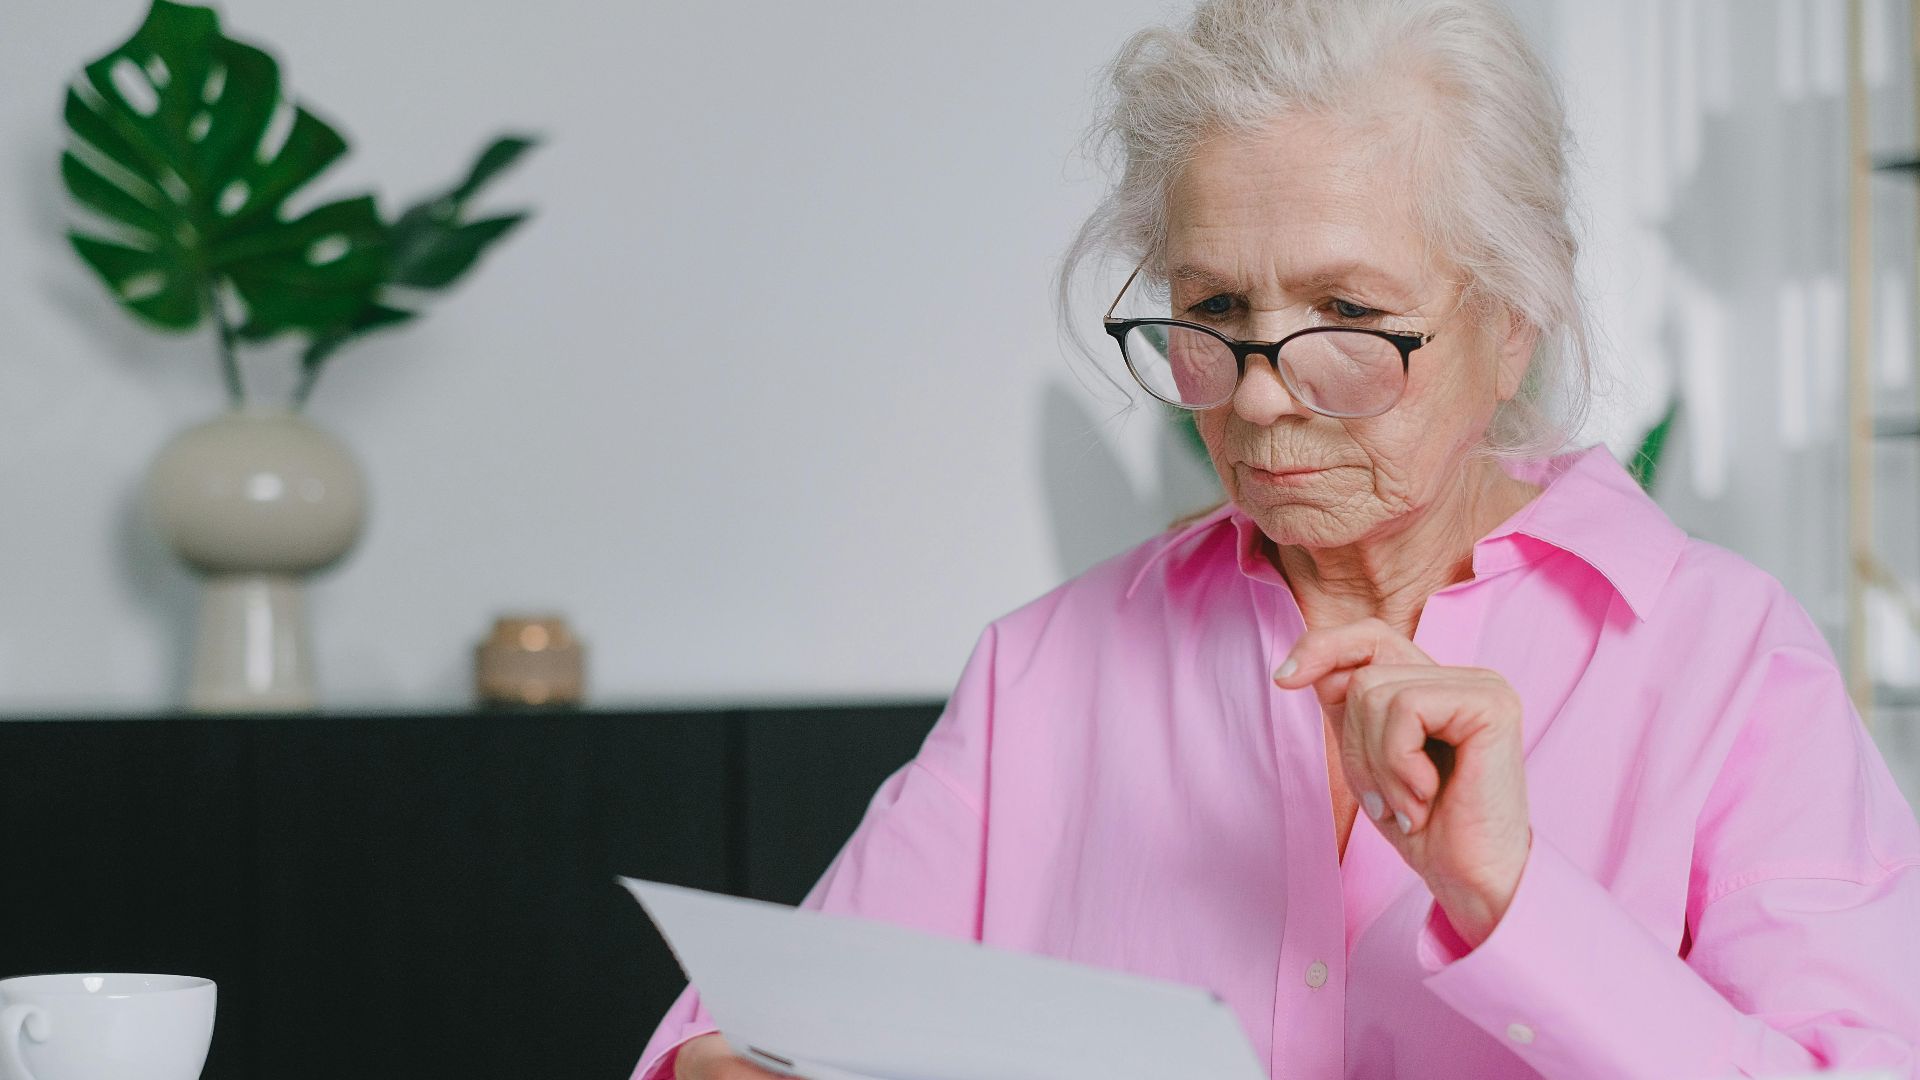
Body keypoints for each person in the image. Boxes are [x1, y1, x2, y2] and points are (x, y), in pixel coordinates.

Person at [639, 0, 1920, 1076]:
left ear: (1516, 314)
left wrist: (1514, 901)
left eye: (1350, 310)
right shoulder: (1047, 672)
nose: (1255, 395)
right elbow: (763, 1027)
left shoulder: (1727, 660)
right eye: (1211, 311)